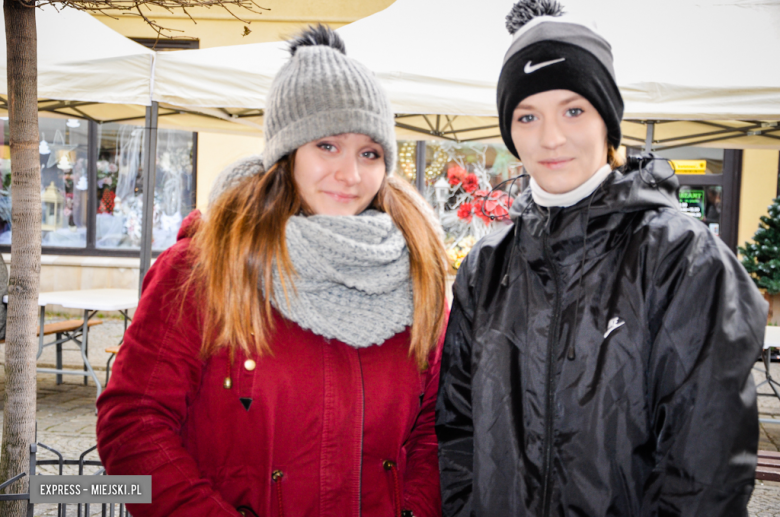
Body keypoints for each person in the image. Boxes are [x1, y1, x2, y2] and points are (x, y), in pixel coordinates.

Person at [97, 25, 448, 517]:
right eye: (327, 145)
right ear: (287, 153)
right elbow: (131, 424)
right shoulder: (202, 270)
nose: (350, 174)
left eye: (369, 153)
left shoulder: (415, 277)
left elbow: (436, 428)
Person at [435, 1, 767, 516]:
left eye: (573, 109)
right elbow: (457, 431)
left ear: (607, 120)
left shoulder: (681, 259)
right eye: (527, 115)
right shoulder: (486, 268)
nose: (550, 137)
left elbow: (706, 469)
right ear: (510, 131)